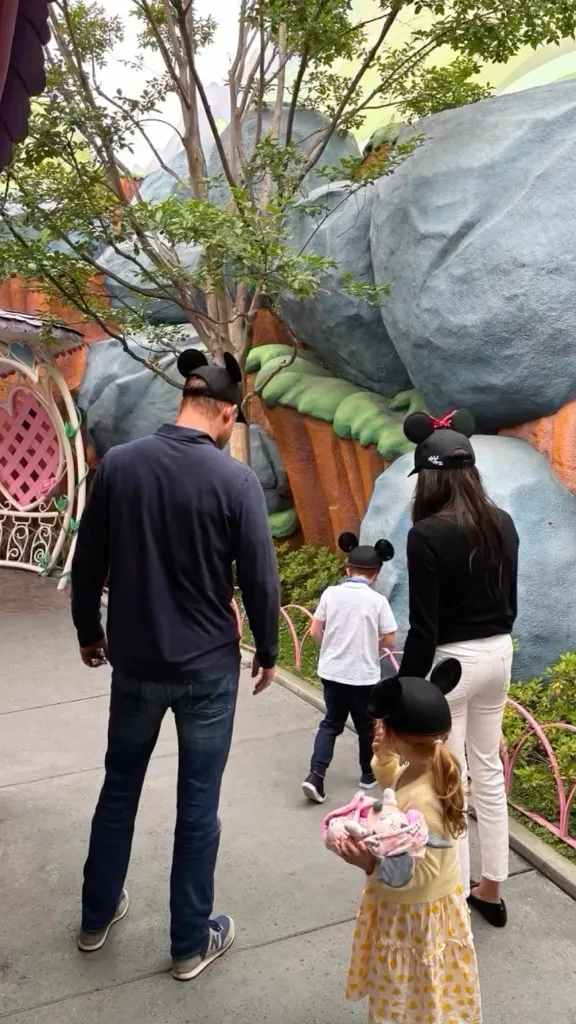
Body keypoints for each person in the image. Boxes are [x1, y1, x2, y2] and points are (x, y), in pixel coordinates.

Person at [70, 348, 280, 981]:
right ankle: (190, 944)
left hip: (133, 663)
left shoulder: (121, 467)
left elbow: (89, 560)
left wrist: (89, 630)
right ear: (221, 411)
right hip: (207, 672)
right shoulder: (233, 480)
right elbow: (261, 580)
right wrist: (268, 650)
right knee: (198, 807)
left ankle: (94, 916)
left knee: (118, 790)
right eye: (231, 422)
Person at [399, 408, 519, 928]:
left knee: (450, 782)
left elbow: (423, 630)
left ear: (427, 477)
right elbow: (509, 602)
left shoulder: (426, 534)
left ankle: (450, 900)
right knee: (488, 772)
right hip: (499, 655)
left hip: (451, 666)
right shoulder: (503, 522)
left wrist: (400, 691)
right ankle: (490, 888)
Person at [338, 659, 482, 1024]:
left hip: (413, 915)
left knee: (408, 991)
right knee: (424, 989)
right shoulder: (430, 765)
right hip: (425, 909)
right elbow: (393, 788)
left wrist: (368, 863)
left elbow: (419, 872)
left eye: (385, 729)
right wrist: (385, 756)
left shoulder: (423, 800)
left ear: (399, 735)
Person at [302, 532, 397, 804]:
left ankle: (315, 776)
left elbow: (315, 630)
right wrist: (370, 643)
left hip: (332, 671)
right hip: (363, 676)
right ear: (376, 575)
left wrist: (330, 646)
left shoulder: (331, 593)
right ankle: (367, 774)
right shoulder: (377, 601)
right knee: (366, 727)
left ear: (347, 569)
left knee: (331, 723)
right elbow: (390, 638)